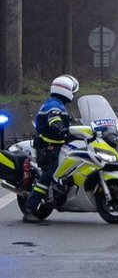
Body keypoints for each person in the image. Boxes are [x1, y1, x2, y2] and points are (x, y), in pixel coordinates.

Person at [23, 75, 79, 223]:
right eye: (73, 90)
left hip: (58, 146)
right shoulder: (53, 105)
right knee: (49, 174)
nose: (74, 94)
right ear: (66, 90)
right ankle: (29, 209)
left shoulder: (60, 105)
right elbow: (54, 120)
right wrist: (60, 128)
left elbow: (71, 124)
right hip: (47, 148)